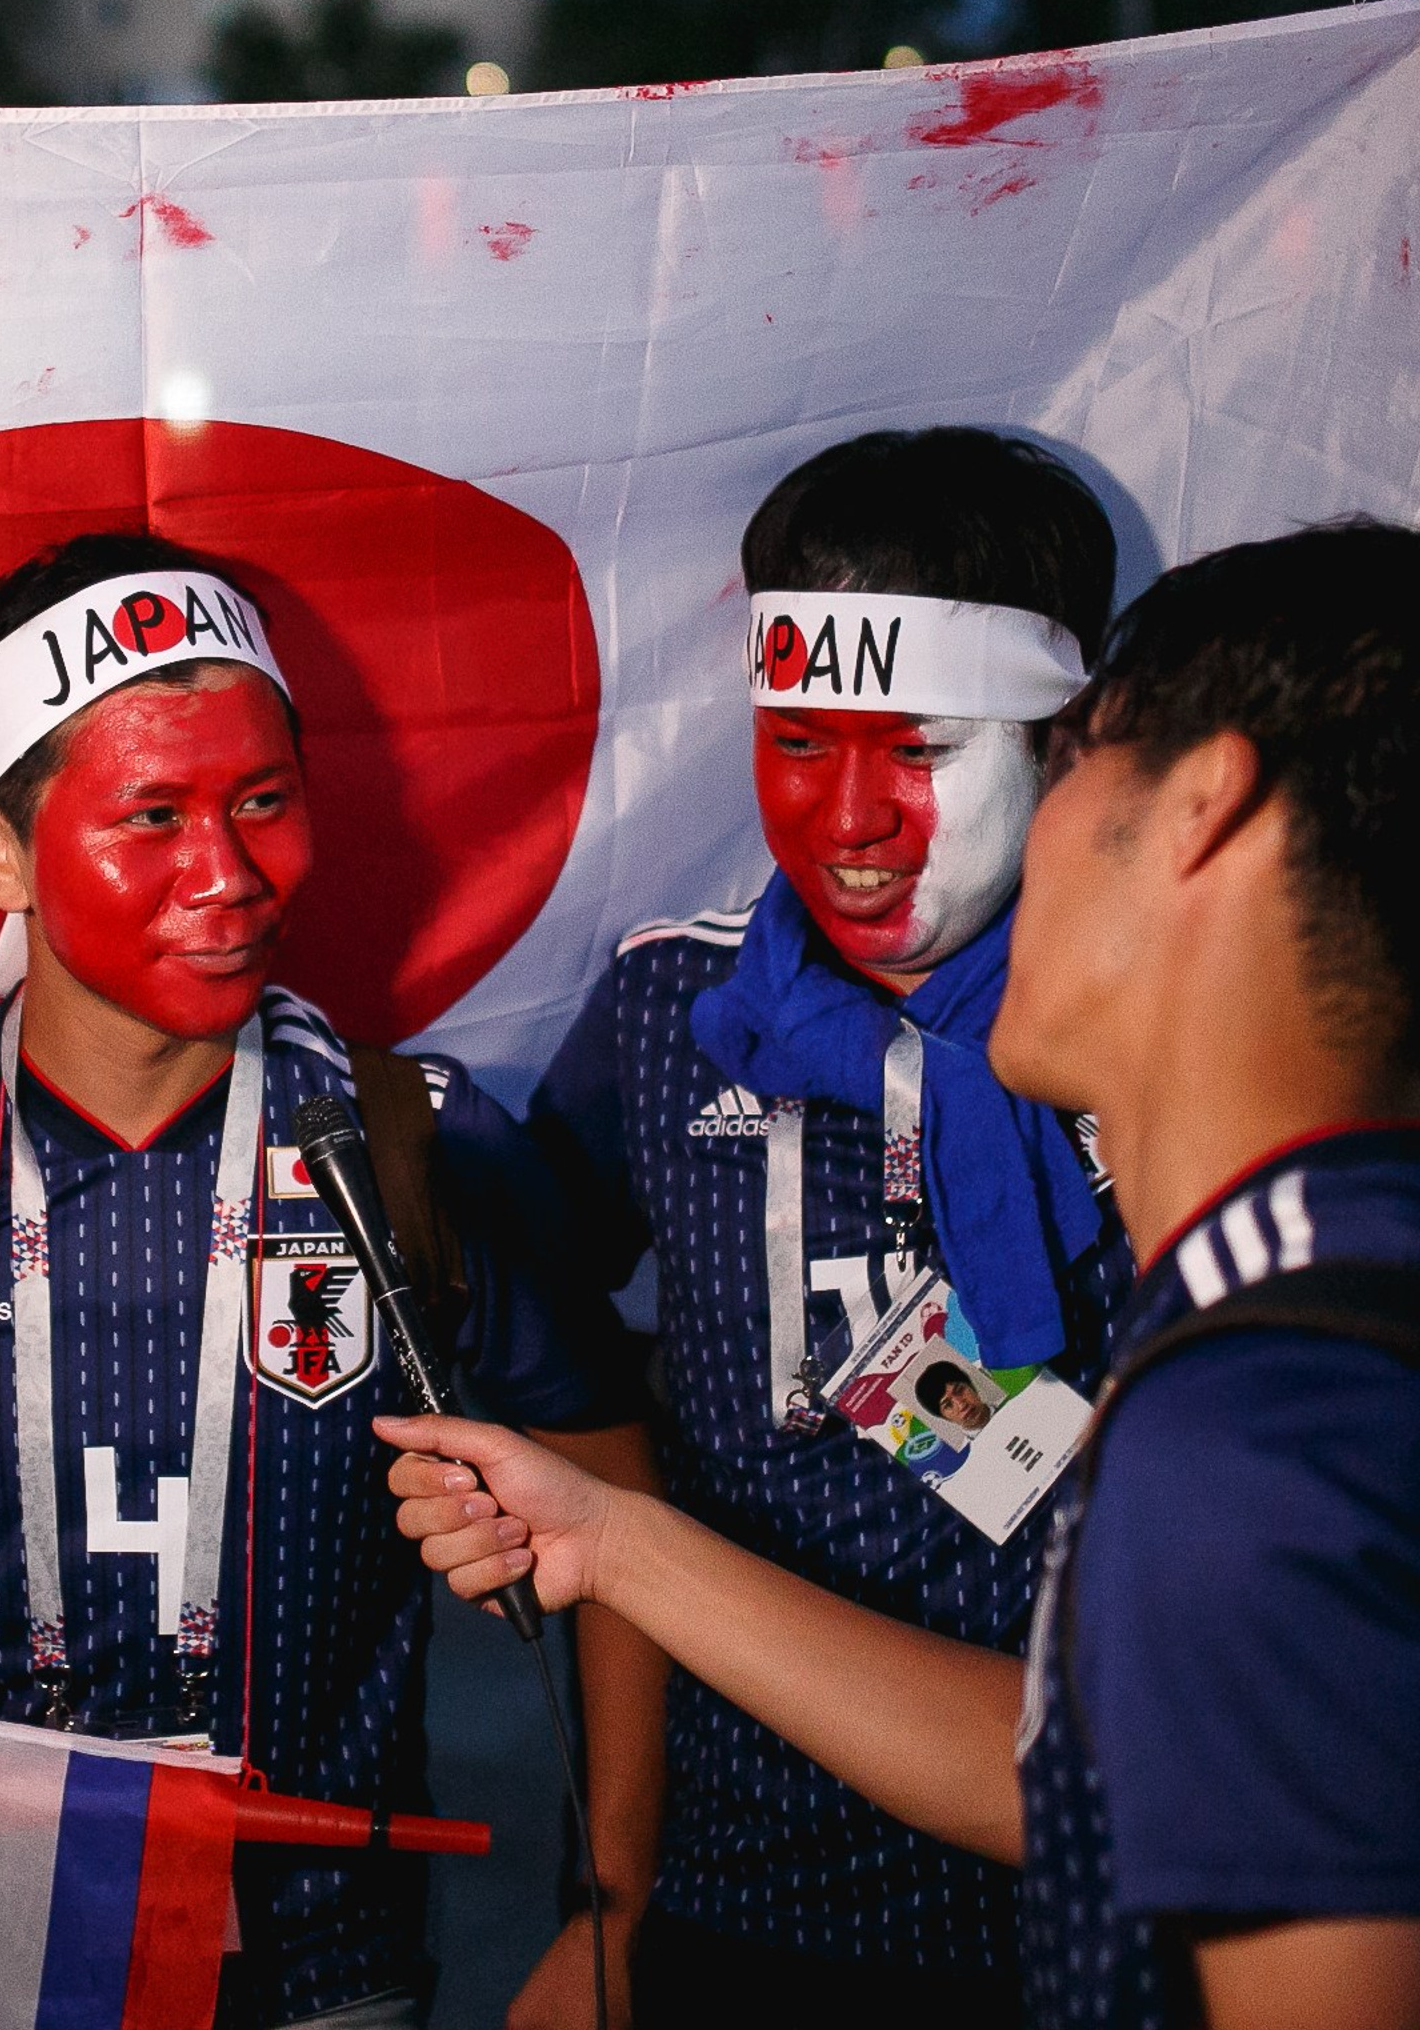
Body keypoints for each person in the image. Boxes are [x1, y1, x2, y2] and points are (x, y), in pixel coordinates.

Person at [383, 521, 1420, 2030]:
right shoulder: (1301, 1310)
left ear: (1202, 807)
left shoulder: (1268, 1426)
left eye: (1075, 762)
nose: (872, 826)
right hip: (741, 1909)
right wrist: (612, 1545)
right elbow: (1067, 1769)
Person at [0, 534, 662, 2030]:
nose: (231, 873)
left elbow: (633, 1540)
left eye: (263, 800)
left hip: (320, 1967)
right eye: (152, 815)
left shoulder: (420, 1147)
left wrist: (615, 1902)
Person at [523, 427, 1132, 2026]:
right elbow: (549, 1358)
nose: (848, 817)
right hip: (746, 1908)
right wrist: (611, 1889)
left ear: (1070, 740)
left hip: (1105, 1903)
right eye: (796, 739)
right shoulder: (671, 1011)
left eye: (921, 751)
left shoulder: (1172, 1031)